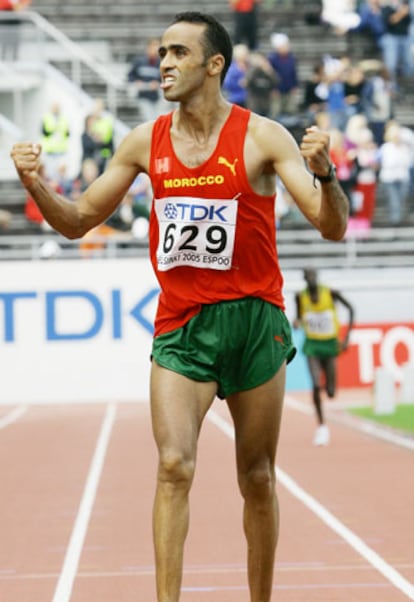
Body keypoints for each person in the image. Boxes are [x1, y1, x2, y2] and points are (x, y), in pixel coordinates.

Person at [10, 12, 349, 601]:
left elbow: (330, 225)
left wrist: (327, 175)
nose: (164, 62)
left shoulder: (264, 137)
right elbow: (78, 222)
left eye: (178, 52)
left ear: (214, 65)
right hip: (182, 326)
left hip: (253, 321)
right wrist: (36, 183)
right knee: (174, 466)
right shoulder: (145, 141)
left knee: (258, 477)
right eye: (161, 52)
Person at [294, 268, 355, 446]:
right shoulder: (300, 296)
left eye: (313, 276)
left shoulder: (330, 293)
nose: (311, 279)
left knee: (330, 392)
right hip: (312, 344)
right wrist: (296, 322)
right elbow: (298, 317)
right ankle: (321, 427)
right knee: (314, 384)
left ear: (317, 277)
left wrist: (346, 338)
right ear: (305, 279)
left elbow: (351, 309)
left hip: (329, 344)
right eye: (308, 277)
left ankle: (327, 391)